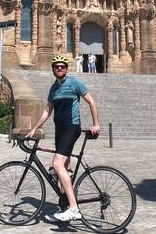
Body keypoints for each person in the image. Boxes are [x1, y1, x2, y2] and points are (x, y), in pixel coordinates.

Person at [26, 55, 101, 222]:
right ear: (53, 69)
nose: (59, 69)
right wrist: (35, 128)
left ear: (67, 68)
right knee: (63, 168)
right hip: (60, 130)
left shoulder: (75, 83)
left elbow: (91, 102)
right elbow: (47, 110)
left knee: (57, 164)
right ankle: (64, 208)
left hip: (71, 127)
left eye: (62, 66)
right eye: (56, 66)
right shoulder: (53, 88)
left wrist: (96, 123)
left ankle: (74, 209)